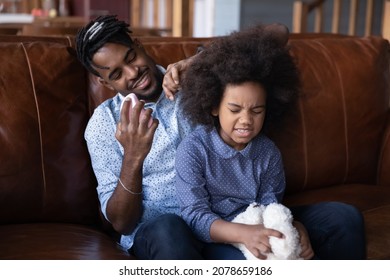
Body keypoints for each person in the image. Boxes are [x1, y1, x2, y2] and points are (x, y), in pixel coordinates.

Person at [75, 14, 292, 259]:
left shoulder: (196, 81)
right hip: (162, 233)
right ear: (104, 82)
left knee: (336, 219)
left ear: (139, 46)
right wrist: (133, 157)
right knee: (171, 230)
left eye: (131, 57)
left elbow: (278, 31)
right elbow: (121, 223)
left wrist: (201, 60)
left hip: (226, 223)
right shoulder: (103, 124)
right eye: (116, 74)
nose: (132, 72)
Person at [175, 24, 366, 260]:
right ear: (214, 106)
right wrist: (244, 234)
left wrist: (295, 227)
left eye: (256, 110)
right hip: (219, 235)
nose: (246, 120)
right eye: (234, 109)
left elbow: (271, 206)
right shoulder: (193, 150)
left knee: (345, 216)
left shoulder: (267, 152)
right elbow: (195, 217)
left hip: (262, 222)